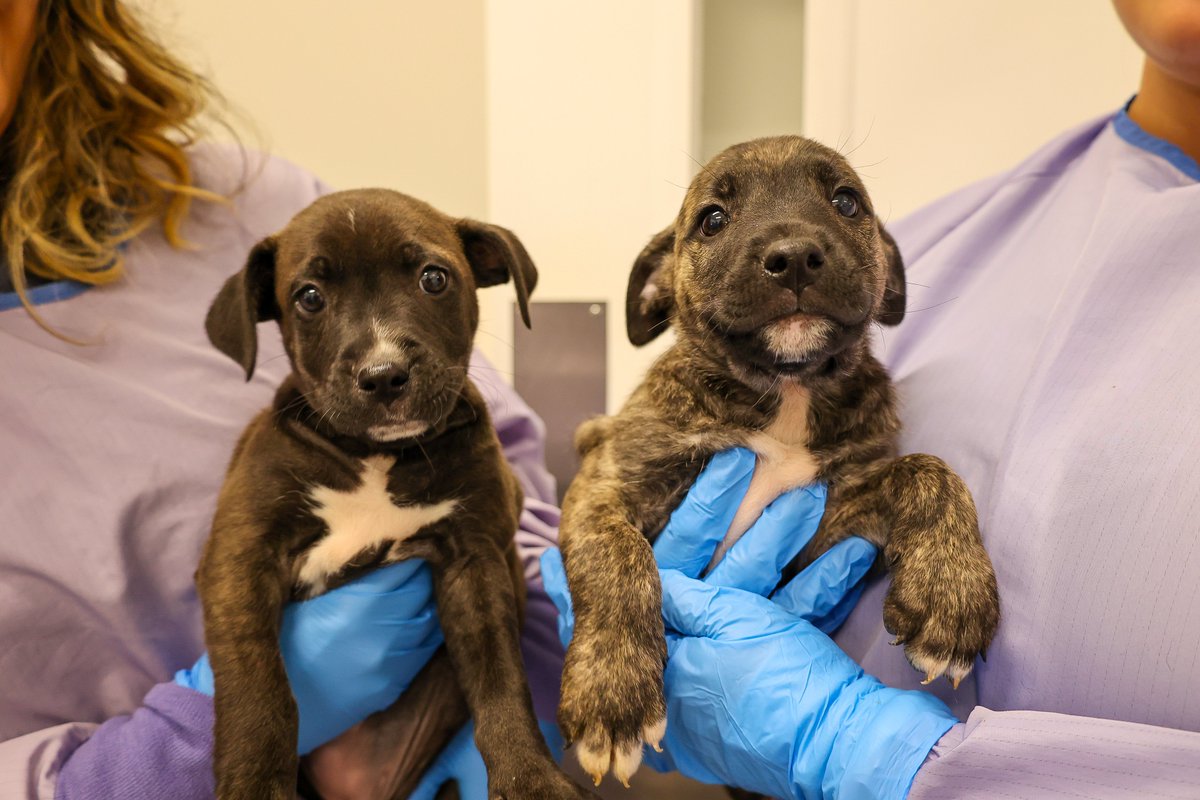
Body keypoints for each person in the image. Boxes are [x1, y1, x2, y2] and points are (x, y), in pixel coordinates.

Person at [543, 0, 1200, 797]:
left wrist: (852, 741)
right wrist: (614, 619)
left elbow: (880, 496)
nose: (791, 248)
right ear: (659, 287)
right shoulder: (969, 230)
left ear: (884, 272)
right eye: (717, 218)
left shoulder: (876, 380)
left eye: (842, 204)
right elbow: (595, 500)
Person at [0, 2, 564, 798]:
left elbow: (517, 500)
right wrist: (172, 758)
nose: (380, 354)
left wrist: (557, 672)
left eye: (431, 279)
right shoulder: (280, 430)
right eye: (312, 300)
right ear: (261, 314)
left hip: (446, 733)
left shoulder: (246, 201)